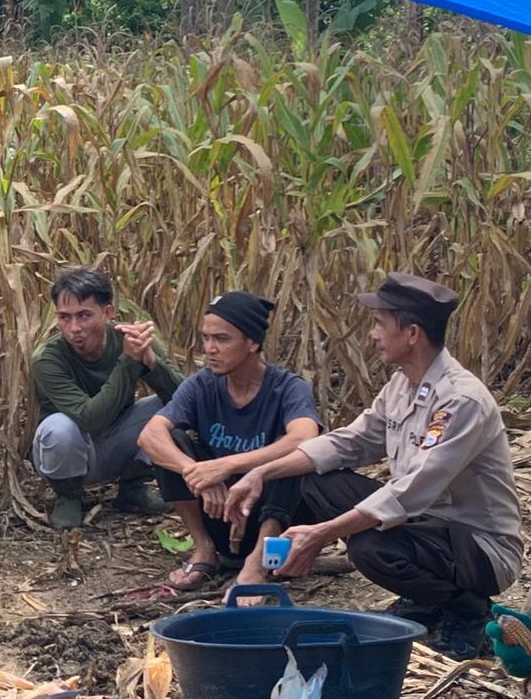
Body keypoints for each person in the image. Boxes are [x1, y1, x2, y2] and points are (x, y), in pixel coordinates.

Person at [228, 273, 522, 659]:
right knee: (311, 477)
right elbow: (349, 442)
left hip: (478, 547)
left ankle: (467, 609)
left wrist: (321, 533)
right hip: (426, 529)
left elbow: (410, 491)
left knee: (370, 547)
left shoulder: (461, 401)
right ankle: (426, 599)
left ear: (412, 334)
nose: (372, 335)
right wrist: (261, 472)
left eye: (380, 324)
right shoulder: (402, 384)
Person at [137, 291, 321, 592]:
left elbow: (305, 437)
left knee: (295, 455)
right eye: (206, 338)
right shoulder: (202, 384)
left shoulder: (288, 388)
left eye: (222, 339)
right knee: (172, 442)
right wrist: (197, 473)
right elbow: (150, 435)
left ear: (252, 343)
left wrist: (226, 466)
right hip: (217, 509)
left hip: (274, 518)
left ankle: (257, 563)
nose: (210, 348)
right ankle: (204, 548)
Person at [30, 267, 183, 528]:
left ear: (107, 312)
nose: (74, 328)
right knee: (58, 428)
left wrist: (150, 361)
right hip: (70, 450)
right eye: (64, 317)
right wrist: (129, 361)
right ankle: (68, 496)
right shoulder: (47, 358)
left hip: (117, 441)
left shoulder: (131, 340)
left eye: (84, 316)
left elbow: (187, 400)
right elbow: (91, 419)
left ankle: (133, 487)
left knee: (172, 408)